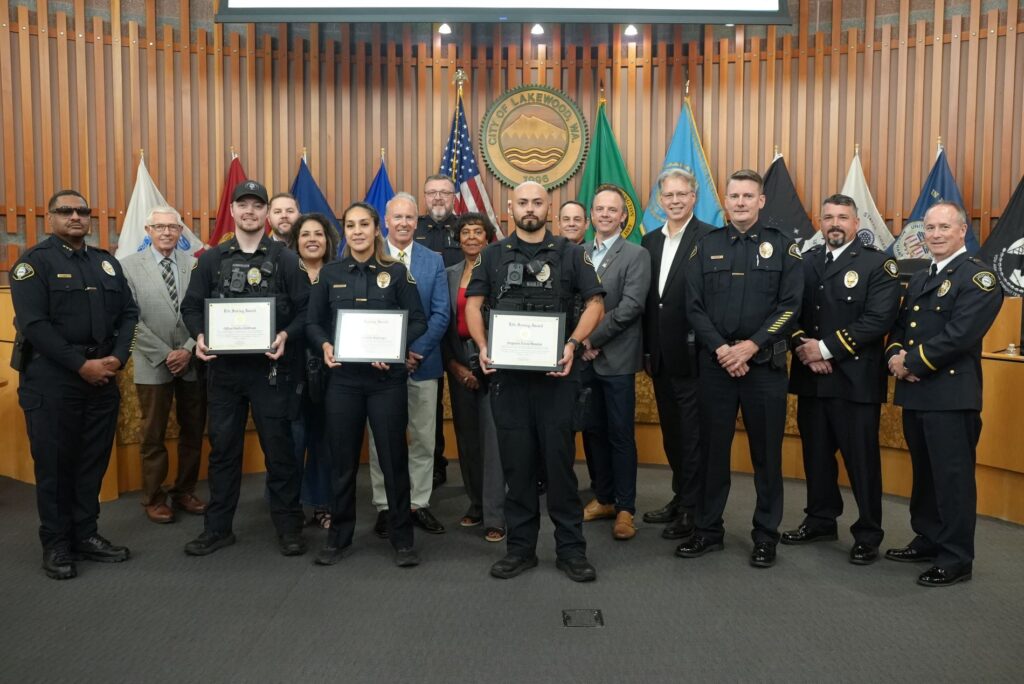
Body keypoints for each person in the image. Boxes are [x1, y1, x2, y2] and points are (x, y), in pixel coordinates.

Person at [466, 181, 605, 582]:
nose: (530, 208)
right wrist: (483, 346)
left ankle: (571, 550)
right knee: (518, 467)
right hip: (508, 380)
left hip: (557, 378)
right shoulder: (491, 255)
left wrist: (574, 343)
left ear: (549, 207)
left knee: (560, 468)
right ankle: (521, 549)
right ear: (511, 208)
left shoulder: (572, 253)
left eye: (537, 202)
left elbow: (596, 302)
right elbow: (474, 304)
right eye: (523, 202)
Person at [11, 189, 139, 580]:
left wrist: (117, 358)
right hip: (53, 380)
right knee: (55, 465)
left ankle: (86, 534)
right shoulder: (33, 264)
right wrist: (81, 365)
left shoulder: (106, 264)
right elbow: (35, 326)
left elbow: (130, 313)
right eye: (65, 211)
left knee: (91, 463)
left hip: (102, 376)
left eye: (82, 211)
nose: (76, 217)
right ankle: (56, 542)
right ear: (50, 217)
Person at [677, 169, 802, 569]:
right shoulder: (705, 245)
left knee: (766, 457)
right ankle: (707, 529)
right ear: (725, 202)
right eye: (734, 196)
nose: (741, 202)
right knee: (712, 453)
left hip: (763, 367)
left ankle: (766, 536)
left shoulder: (784, 247)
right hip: (716, 367)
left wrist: (751, 346)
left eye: (749, 196)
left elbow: (790, 307)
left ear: (761, 201)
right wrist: (723, 350)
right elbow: (693, 307)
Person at [180, 180, 309, 557]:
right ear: (233, 211)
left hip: (271, 373)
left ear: (267, 214)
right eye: (243, 205)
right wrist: (200, 336)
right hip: (224, 374)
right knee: (222, 452)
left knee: (279, 451)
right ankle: (218, 529)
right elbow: (190, 307)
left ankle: (289, 527)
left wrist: (286, 334)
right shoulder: (212, 259)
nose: (250, 211)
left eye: (257, 205)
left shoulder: (285, 258)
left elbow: (305, 311)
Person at [885, 202, 1003, 587]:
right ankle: (928, 537)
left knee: (952, 479)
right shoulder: (920, 277)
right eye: (930, 228)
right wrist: (893, 355)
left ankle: (955, 557)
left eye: (943, 227)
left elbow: (961, 335)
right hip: (917, 394)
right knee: (925, 473)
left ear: (962, 231)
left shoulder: (978, 278)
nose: (935, 234)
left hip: (951, 396)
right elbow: (901, 326)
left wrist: (911, 363)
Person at [306, 202, 427, 567]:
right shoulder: (330, 273)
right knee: (343, 461)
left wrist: (396, 348)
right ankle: (338, 538)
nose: (357, 231)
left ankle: (403, 540)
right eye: (350, 225)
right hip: (342, 382)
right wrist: (325, 345)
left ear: (377, 229)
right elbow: (313, 323)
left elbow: (418, 320)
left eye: (364, 224)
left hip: (385, 381)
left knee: (394, 459)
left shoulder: (397, 272)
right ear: (345, 232)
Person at [783, 194, 901, 564]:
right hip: (812, 379)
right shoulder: (805, 261)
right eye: (829, 217)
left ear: (856, 223)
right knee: (816, 456)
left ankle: (868, 533)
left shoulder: (879, 264)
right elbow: (788, 311)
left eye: (843, 217)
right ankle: (820, 519)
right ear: (820, 221)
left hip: (854, 382)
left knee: (861, 462)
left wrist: (826, 350)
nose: (835, 223)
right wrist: (803, 346)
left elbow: (877, 320)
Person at [368, 193, 450, 538]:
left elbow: (441, 313)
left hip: (424, 364)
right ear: (385, 221)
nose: (403, 223)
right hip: (379, 367)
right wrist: (390, 353)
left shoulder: (434, 260)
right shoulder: (368, 257)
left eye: (409, 218)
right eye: (397, 217)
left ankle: (418, 503)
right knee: (380, 439)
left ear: (418, 223)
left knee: (422, 438)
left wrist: (414, 350)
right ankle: (386, 505)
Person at [119, 205, 207, 524]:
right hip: (151, 361)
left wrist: (186, 350)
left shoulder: (196, 265)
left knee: (193, 430)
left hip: (192, 361)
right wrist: (165, 353)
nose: (166, 232)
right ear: (148, 231)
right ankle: (153, 496)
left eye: (173, 227)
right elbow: (128, 318)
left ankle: (184, 490)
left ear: (181, 232)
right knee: (153, 434)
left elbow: (203, 310)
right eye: (159, 227)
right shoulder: (127, 267)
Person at [640, 168, 715, 540]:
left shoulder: (710, 238)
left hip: (694, 356)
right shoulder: (649, 241)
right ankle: (679, 495)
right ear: (659, 199)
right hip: (660, 356)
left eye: (681, 195)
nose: (674, 201)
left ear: (693, 197)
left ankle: (692, 508)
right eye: (668, 195)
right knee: (672, 433)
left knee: (692, 436)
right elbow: (651, 301)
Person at [579, 185, 651, 541]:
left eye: (613, 210)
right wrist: (579, 343)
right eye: (599, 209)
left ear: (624, 217)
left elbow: (631, 307)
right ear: (591, 215)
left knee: (620, 435)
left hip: (617, 359)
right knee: (593, 433)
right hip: (583, 361)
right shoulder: (579, 253)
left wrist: (592, 339)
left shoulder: (636, 254)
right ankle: (604, 497)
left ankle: (625, 508)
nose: (605, 214)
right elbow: (573, 303)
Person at [442, 212, 507, 542]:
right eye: (464, 232)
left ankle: (495, 515)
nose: (470, 237)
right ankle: (476, 504)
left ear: (488, 237)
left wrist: (485, 362)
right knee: (467, 439)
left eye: (476, 232)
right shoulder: (448, 274)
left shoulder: (499, 271)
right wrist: (455, 365)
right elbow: (442, 321)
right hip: (458, 364)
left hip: (494, 363)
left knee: (492, 441)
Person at [290, 213, 340, 529]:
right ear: (295, 241)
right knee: (292, 440)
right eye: (305, 234)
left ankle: (324, 505)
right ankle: (290, 506)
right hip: (290, 370)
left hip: (332, 369)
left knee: (326, 442)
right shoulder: (285, 274)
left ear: (328, 240)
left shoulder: (339, 273)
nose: (312, 239)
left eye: (319, 234)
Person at [414, 174, 461, 487]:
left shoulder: (468, 227)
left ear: (454, 196)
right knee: (427, 403)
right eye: (432, 193)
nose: (438, 198)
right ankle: (436, 462)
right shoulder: (412, 229)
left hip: (458, 329)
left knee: (460, 400)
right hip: (425, 330)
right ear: (425, 196)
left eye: (445, 192)